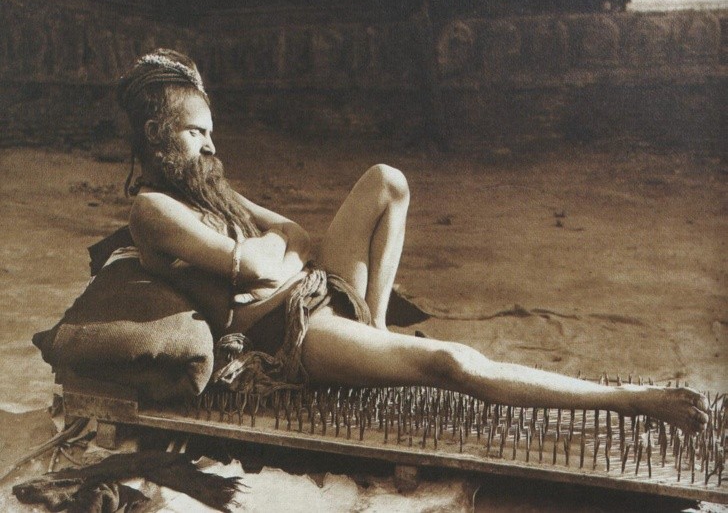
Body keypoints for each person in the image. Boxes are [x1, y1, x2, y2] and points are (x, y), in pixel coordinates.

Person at [117, 49, 708, 433]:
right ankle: (630, 399)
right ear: (157, 134)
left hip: (311, 289)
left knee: (387, 180)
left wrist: (276, 256)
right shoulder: (154, 208)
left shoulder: (210, 187)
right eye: (196, 133)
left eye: (211, 133)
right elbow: (248, 268)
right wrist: (272, 256)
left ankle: (374, 328)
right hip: (289, 335)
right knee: (450, 362)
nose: (212, 146)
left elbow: (293, 235)